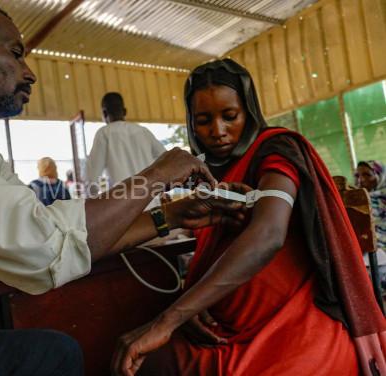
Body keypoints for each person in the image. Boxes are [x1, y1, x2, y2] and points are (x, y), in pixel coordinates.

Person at [0, 2, 246, 375]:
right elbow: (46, 247)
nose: (29, 74)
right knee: (51, 355)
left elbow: (58, 234)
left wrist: (169, 215)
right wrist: (155, 176)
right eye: (15, 54)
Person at [111, 59, 386, 376]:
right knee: (142, 364)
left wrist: (172, 318)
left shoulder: (276, 152)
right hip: (222, 330)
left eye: (230, 116)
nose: (218, 131)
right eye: (203, 120)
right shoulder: (208, 176)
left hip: (289, 328)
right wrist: (194, 303)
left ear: (250, 111)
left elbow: (268, 235)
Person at [84, 92, 166, 195]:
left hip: (124, 205)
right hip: (151, 201)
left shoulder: (104, 133)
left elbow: (92, 177)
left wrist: (93, 203)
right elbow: (165, 158)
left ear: (104, 113)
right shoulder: (143, 131)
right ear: (125, 111)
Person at [355, 160, 386, 286]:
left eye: (367, 175)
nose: (361, 180)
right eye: (358, 176)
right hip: (366, 247)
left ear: (380, 176)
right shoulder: (354, 200)